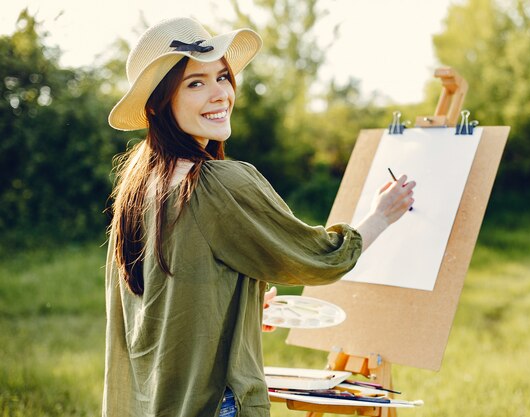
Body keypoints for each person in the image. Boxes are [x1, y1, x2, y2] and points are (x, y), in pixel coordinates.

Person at [103, 16, 415, 417]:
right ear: (159, 103)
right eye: (195, 83)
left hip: (155, 401)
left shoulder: (138, 183)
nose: (220, 94)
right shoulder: (218, 182)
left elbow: (168, 295)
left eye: (222, 77)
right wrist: (380, 217)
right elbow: (322, 257)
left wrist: (240, 304)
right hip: (213, 402)